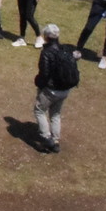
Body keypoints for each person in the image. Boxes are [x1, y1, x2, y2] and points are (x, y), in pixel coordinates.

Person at [32, 23, 78, 152]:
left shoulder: (46, 53)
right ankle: (56, 139)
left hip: (50, 90)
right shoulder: (65, 50)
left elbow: (44, 73)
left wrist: (39, 84)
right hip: (65, 90)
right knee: (55, 114)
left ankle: (47, 139)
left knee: (39, 111)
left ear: (46, 37)